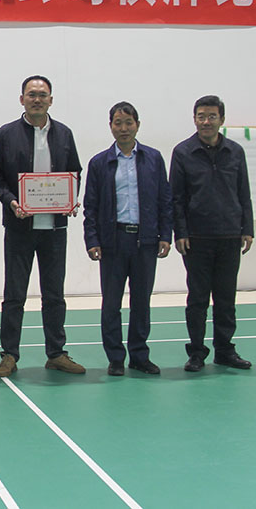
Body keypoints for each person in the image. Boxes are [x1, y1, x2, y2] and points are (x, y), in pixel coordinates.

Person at [0, 75, 84, 378]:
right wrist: (11, 202)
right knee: (14, 294)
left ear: (51, 100)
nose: (37, 99)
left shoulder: (64, 134)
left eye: (42, 95)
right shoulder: (6, 134)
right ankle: (9, 354)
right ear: (22, 99)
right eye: (31, 94)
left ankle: (56, 353)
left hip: (54, 229)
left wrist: (71, 199)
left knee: (54, 294)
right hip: (19, 227)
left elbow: (74, 172)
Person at [82, 101, 173, 376]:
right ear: (110, 126)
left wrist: (165, 235)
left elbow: (164, 199)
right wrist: (92, 239)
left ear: (138, 125)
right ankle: (115, 358)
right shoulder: (99, 163)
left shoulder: (153, 159)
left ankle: (139, 355)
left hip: (146, 240)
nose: (124, 128)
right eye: (118, 123)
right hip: (113, 241)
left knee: (141, 302)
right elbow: (90, 206)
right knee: (111, 303)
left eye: (129, 122)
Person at [170, 94, 254, 372]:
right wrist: (180, 232)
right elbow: (176, 198)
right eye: (201, 116)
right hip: (196, 239)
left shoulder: (235, 152)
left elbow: (244, 192)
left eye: (212, 116)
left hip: (230, 235)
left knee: (226, 299)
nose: (206, 121)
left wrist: (247, 228)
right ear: (194, 119)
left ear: (222, 119)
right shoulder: (183, 152)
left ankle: (225, 350)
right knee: (197, 299)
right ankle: (196, 352)